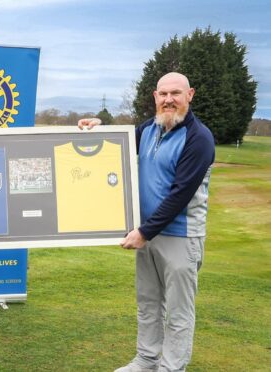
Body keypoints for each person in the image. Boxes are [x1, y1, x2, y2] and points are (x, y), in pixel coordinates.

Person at [79, 72, 215, 372]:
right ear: (155, 97)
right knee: (149, 304)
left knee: (179, 312)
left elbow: (180, 194)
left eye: (175, 94)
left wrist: (143, 232)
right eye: (163, 94)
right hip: (148, 235)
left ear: (189, 95)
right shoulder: (151, 128)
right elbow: (120, 143)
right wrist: (101, 127)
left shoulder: (199, 138)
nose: (169, 100)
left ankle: (171, 367)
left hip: (180, 237)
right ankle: (147, 360)